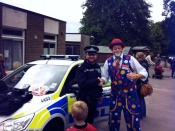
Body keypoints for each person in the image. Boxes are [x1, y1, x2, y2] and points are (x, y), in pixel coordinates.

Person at [101, 38, 148, 131]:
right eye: (115, 48)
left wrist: (136, 75)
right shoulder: (108, 61)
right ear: (112, 50)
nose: (117, 50)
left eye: (119, 48)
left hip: (130, 95)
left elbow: (144, 72)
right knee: (114, 119)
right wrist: (102, 80)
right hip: (115, 95)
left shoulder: (130, 59)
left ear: (122, 48)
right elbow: (105, 77)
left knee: (132, 118)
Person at [74, 45, 103, 124]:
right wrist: (96, 81)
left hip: (94, 99)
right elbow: (82, 84)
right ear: (86, 55)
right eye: (89, 54)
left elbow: (100, 83)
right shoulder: (81, 68)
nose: (91, 56)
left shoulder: (97, 67)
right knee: (83, 122)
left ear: (96, 55)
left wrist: (100, 95)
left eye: (93, 54)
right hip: (84, 99)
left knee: (91, 121)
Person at [135, 52, 149, 119]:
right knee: (141, 99)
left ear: (141, 58)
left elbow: (141, 75)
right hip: (143, 83)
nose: (136, 59)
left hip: (140, 83)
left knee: (139, 99)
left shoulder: (142, 64)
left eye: (137, 58)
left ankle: (140, 114)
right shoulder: (145, 63)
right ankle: (143, 113)